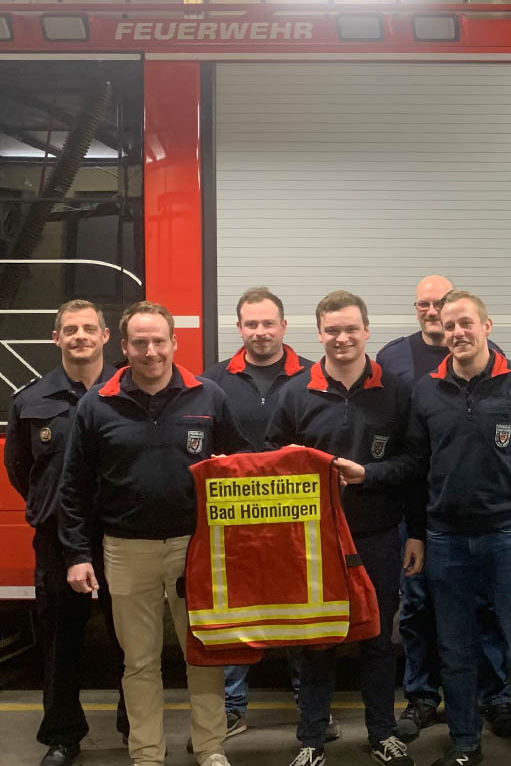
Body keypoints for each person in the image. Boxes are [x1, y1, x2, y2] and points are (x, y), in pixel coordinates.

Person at [356, 289, 511, 766]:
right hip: (446, 538)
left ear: (487, 326)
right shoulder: (425, 390)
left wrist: (503, 492)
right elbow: (418, 463)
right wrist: (420, 532)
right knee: (455, 646)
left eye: (466, 323)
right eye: (449, 327)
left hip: (506, 533)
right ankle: (466, 744)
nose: (457, 333)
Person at [58, 300, 250, 766]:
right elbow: (73, 489)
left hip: (196, 548)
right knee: (138, 661)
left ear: (173, 342)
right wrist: (77, 555)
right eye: (139, 343)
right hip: (124, 550)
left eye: (158, 341)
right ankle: (147, 753)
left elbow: (240, 469)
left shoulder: (208, 397)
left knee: (202, 654)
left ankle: (210, 748)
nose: (150, 351)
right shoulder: (96, 404)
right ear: (123, 346)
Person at [265, 290, 418, 766]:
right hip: (314, 542)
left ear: (367, 331)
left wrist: (371, 477)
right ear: (319, 334)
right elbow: (272, 464)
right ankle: (311, 741)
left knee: (376, 640)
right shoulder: (295, 392)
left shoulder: (397, 391)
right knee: (317, 642)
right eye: (332, 330)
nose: (342, 338)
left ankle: (382, 734)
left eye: (351, 328)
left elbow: (416, 461)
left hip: (378, 536)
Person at [377, 274, 511, 742]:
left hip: (475, 511)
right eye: (424, 303)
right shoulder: (393, 357)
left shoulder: (489, 362)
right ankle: (421, 697)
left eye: (442, 303)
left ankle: (493, 695)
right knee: (417, 609)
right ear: (416, 308)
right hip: (416, 510)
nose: (433, 312)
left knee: (484, 609)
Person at [6, 300, 127, 766]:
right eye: (70, 329)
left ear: (104, 337)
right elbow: (20, 468)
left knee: (130, 637)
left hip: (121, 532)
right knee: (61, 638)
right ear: (56, 339)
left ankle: (134, 726)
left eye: (88, 328)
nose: (80, 336)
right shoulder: (31, 400)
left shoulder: (128, 391)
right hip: (58, 538)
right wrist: (52, 504)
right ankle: (62, 735)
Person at [201, 287, 324, 743]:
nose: (260, 332)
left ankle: (311, 708)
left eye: (268, 323)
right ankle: (233, 708)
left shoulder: (316, 377)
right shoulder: (212, 382)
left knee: (301, 613)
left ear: (284, 326)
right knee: (237, 614)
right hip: (235, 522)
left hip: (299, 520)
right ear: (239, 329)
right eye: (251, 324)